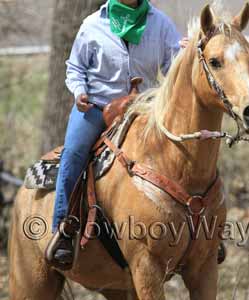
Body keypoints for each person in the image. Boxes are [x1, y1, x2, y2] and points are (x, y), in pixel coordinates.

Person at [50, 0, 186, 266]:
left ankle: (203, 231)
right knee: (74, 154)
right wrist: (79, 93)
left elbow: (175, 69)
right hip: (96, 107)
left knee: (187, 150)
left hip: (145, 109)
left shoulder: (160, 23)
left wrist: (190, 54)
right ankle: (64, 229)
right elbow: (75, 68)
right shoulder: (92, 25)